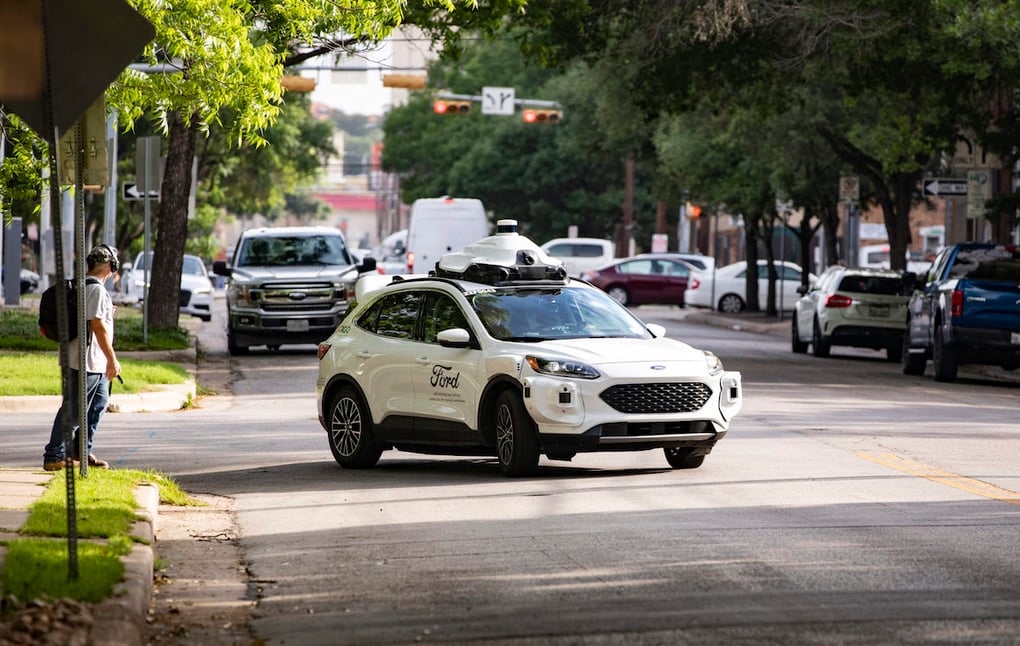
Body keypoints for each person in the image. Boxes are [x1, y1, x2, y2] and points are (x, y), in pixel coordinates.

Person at [42, 244, 122, 471]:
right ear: (109, 265)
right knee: (75, 409)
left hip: (91, 361)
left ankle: (81, 450)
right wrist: (112, 359)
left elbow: (94, 318)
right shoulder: (94, 289)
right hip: (85, 361)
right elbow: (97, 326)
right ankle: (54, 455)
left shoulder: (85, 287)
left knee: (98, 404)